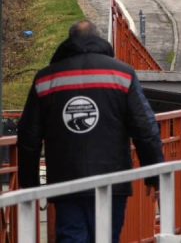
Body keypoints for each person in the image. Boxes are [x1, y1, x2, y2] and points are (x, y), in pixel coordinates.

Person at [17, 20, 164, 243]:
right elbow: (145, 128)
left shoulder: (46, 79)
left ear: (68, 41)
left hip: (66, 181)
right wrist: (154, 175)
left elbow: (28, 138)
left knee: (71, 236)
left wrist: (30, 186)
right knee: (106, 237)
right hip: (112, 180)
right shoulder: (122, 75)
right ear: (98, 39)